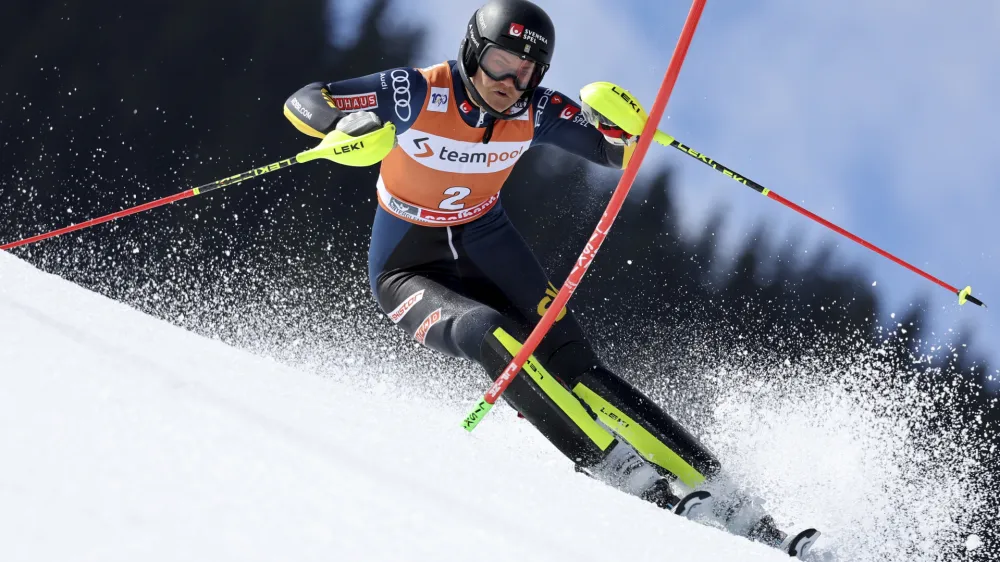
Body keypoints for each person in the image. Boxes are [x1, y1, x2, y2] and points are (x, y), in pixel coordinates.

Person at [283, 0, 802, 553]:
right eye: (503, 62)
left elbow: (610, 151)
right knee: (484, 330)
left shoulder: (537, 109)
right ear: (473, 51)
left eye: (529, 71)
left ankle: (726, 495)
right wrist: (342, 124)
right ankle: (617, 469)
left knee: (574, 364)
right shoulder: (417, 91)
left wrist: (627, 130)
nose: (513, 81)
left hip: (488, 245)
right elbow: (307, 100)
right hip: (407, 269)